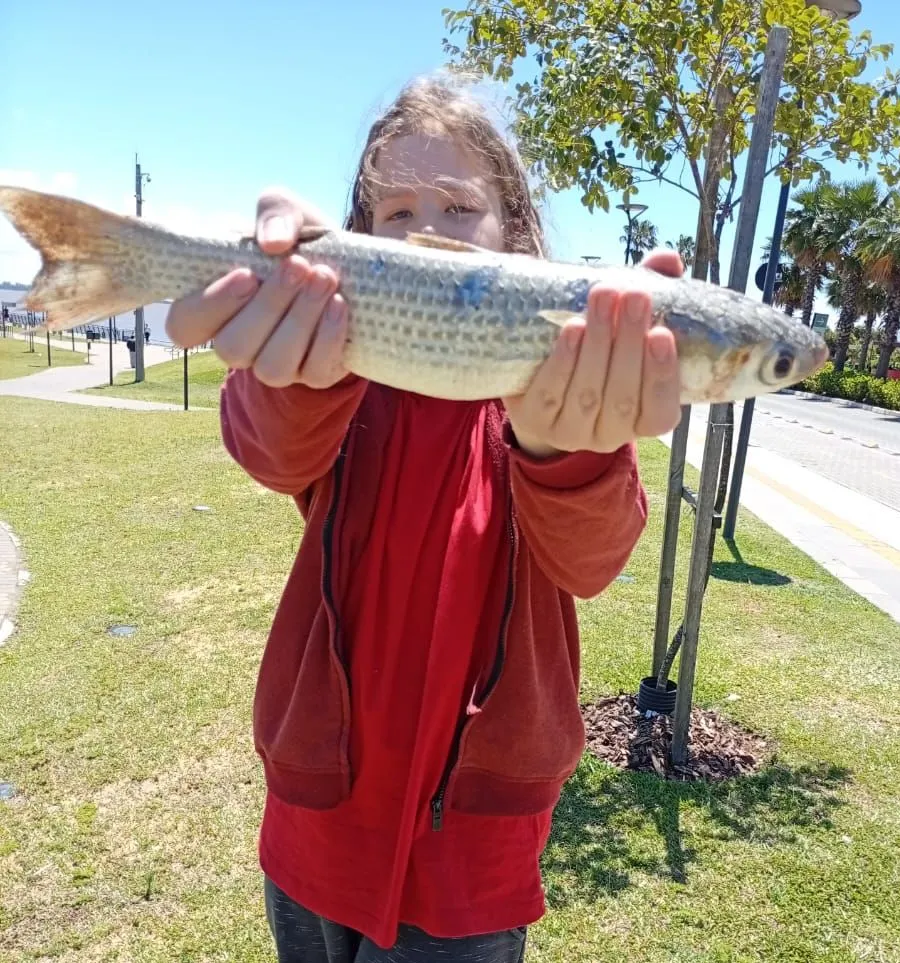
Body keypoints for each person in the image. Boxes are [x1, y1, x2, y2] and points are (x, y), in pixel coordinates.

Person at [165, 76, 684, 963]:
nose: (427, 231)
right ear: (360, 241)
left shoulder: (555, 399)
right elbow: (270, 451)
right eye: (395, 210)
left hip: (469, 852)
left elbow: (592, 559)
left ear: (515, 235)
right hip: (314, 812)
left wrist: (564, 454)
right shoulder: (334, 380)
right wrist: (296, 372)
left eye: (458, 204)